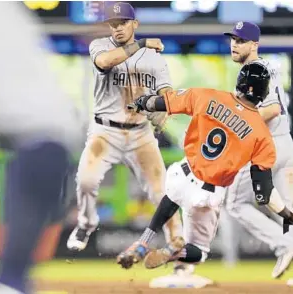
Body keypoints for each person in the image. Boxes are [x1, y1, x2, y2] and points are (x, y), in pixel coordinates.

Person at [116, 62, 293, 274]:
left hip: (182, 174)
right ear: (262, 92)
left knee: (172, 198)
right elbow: (264, 194)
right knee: (199, 251)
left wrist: (139, 103)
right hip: (207, 194)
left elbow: (163, 102)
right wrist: (292, 216)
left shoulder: (208, 96)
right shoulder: (262, 135)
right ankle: (174, 252)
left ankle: (142, 242)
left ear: (240, 83)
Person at [65, 1, 200, 285]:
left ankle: (177, 245)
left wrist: (163, 110)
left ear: (134, 24)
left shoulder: (154, 58)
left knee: (163, 192)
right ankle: (87, 224)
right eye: (114, 24)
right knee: (86, 181)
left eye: (123, 23)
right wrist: (140, 44)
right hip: (105, 131)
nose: (117, 28)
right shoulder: (101, 47)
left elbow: (166, 92)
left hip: (140, 133)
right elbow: (104, 63)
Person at [222, 21, 293, 287]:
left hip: (265, 147)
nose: (235, 44)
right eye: (233, 39)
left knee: (235, 203)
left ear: (254, 45)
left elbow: (272, 109)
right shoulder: (266, 67)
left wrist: (237, 124)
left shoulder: (253, 69)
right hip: (284, 145)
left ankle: (282, 245)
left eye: (241, 40)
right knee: (285, 211)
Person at [0, 2, 81, 293]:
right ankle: (12, 279)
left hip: (43, 137)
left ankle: (11, 280)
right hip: (48, 139)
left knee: (11, 279)